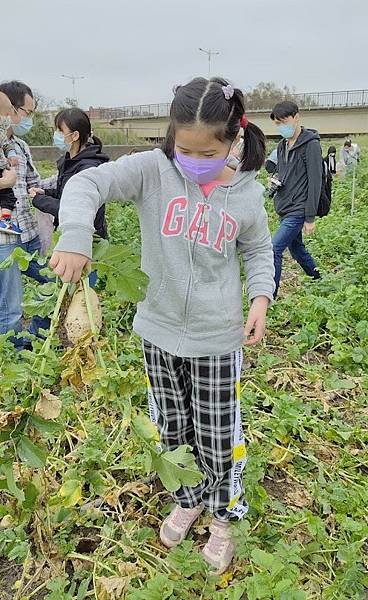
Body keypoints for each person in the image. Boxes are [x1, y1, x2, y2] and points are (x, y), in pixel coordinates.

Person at [50, 77, 275, 574]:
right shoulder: (154, 170)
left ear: (233, 139)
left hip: (218, 338)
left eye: (206, 151)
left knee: (219, 434)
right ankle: (189, 497)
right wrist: (75, 233)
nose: (191, 160)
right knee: (172, 428)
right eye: (182, 147)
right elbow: (89, 182)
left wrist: (260, 295)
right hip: (159, 331)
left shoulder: (246, 194)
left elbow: (258, 249)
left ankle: (221, 516)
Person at [0, 80, 56, 345]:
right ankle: (14, 359)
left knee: (51, 283)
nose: (28, 119)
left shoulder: (20, 147)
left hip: (28, 234)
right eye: (27, 112)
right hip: (5, 237)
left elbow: (34, 184)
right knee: (10, 308)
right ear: (10, 109)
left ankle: (33, 339)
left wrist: (71, 176)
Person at [30, 108, 109, 241]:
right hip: (71, 233)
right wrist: (45, 193)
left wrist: (39, 200)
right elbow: (66, 194)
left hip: (87, 238)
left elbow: (73, 210)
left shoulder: (87, 169)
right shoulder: (70, 161)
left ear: (75, 136)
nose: (56, 135)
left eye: (61, 131)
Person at [269, 100, 322, 297]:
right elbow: (283, 173)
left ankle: (270, 296)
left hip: (299, 209)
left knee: (274, 249)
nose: (281, 126)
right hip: (285, 206)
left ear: (296, 117)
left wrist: (310, 217)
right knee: (297, 249)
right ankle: (319, 280)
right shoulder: (282, 146)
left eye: (284, 121)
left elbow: (315, 181)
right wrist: (274, 181)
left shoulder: (311, 145)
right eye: (277, 123)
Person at [0, 91, 21, 234]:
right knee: (7, 195)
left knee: (8, 197)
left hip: (2, 168)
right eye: (5, 115)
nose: (7, 119)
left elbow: (7, 144)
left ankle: (5, 221)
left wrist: (11, 154)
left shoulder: (1, 133)